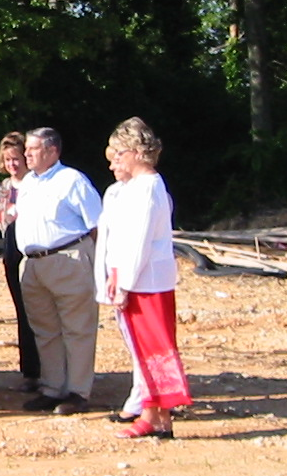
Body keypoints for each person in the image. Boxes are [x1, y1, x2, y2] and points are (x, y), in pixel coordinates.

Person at [97, 117, 189, 438]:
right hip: (142, 278)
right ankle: (159, 415)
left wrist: (123, 282)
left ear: (136, 152)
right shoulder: (136, 188)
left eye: (120, 155)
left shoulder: (147, 187)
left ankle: (153, 413)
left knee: (153, 348)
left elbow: (138, 241)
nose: (115, 162)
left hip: (146, 282)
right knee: (147, 347)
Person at [15, 127, 103, 415]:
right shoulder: (27, 182)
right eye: (26, 148)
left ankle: (78, 390)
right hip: (33, 263)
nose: (26, 153)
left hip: (67, 258)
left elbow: (97, 224)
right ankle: (52, 387)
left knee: (77, 328)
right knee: (45, 329)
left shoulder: (72, 180)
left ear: (53, 151)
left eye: (33, 148)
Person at [0, 132, 42, 391]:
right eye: (7, 159)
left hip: (35, 251)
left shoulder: (36, 184)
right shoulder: (1, 189)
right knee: (22, 311)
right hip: (11, 253)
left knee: (41, 310)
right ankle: (30, 371)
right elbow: (1, 223)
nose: (12, 164)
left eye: (16, 158)